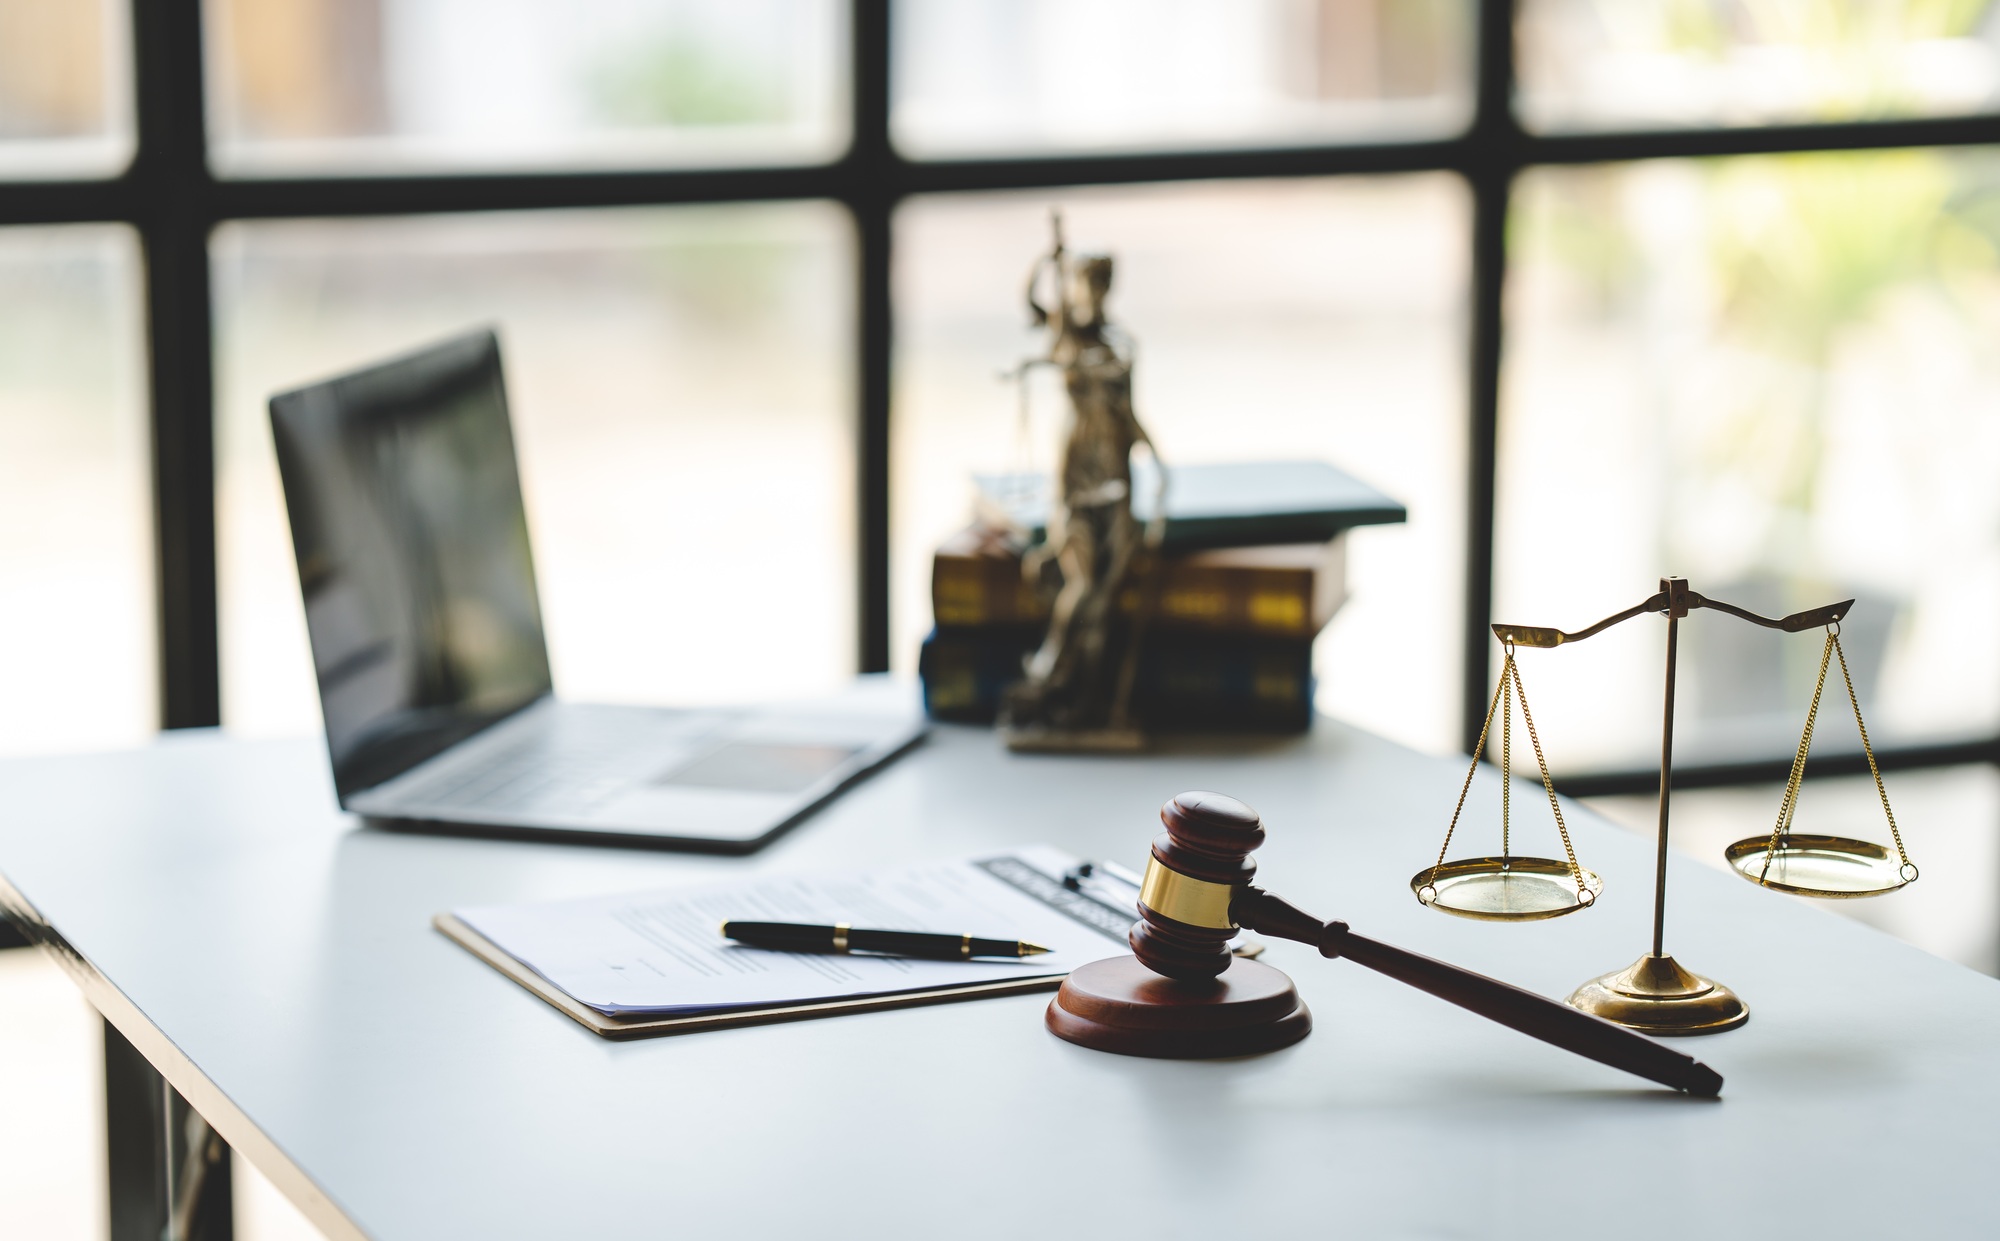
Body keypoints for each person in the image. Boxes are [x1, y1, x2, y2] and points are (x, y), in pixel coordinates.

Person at [1003, 214, 1164, 738]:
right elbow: (1030, 303)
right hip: (1075, 475)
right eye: (1084, 282)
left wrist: (1157, 459)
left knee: (1106, 600)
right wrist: (1046, 260)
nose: (1092, 293)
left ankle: (1091, 700)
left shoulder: (1123, 344)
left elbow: (1130, 412)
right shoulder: (1065, 334)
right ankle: (1051, 667)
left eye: (1100, 283)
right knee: (1083, 582)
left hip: (1117, 472)